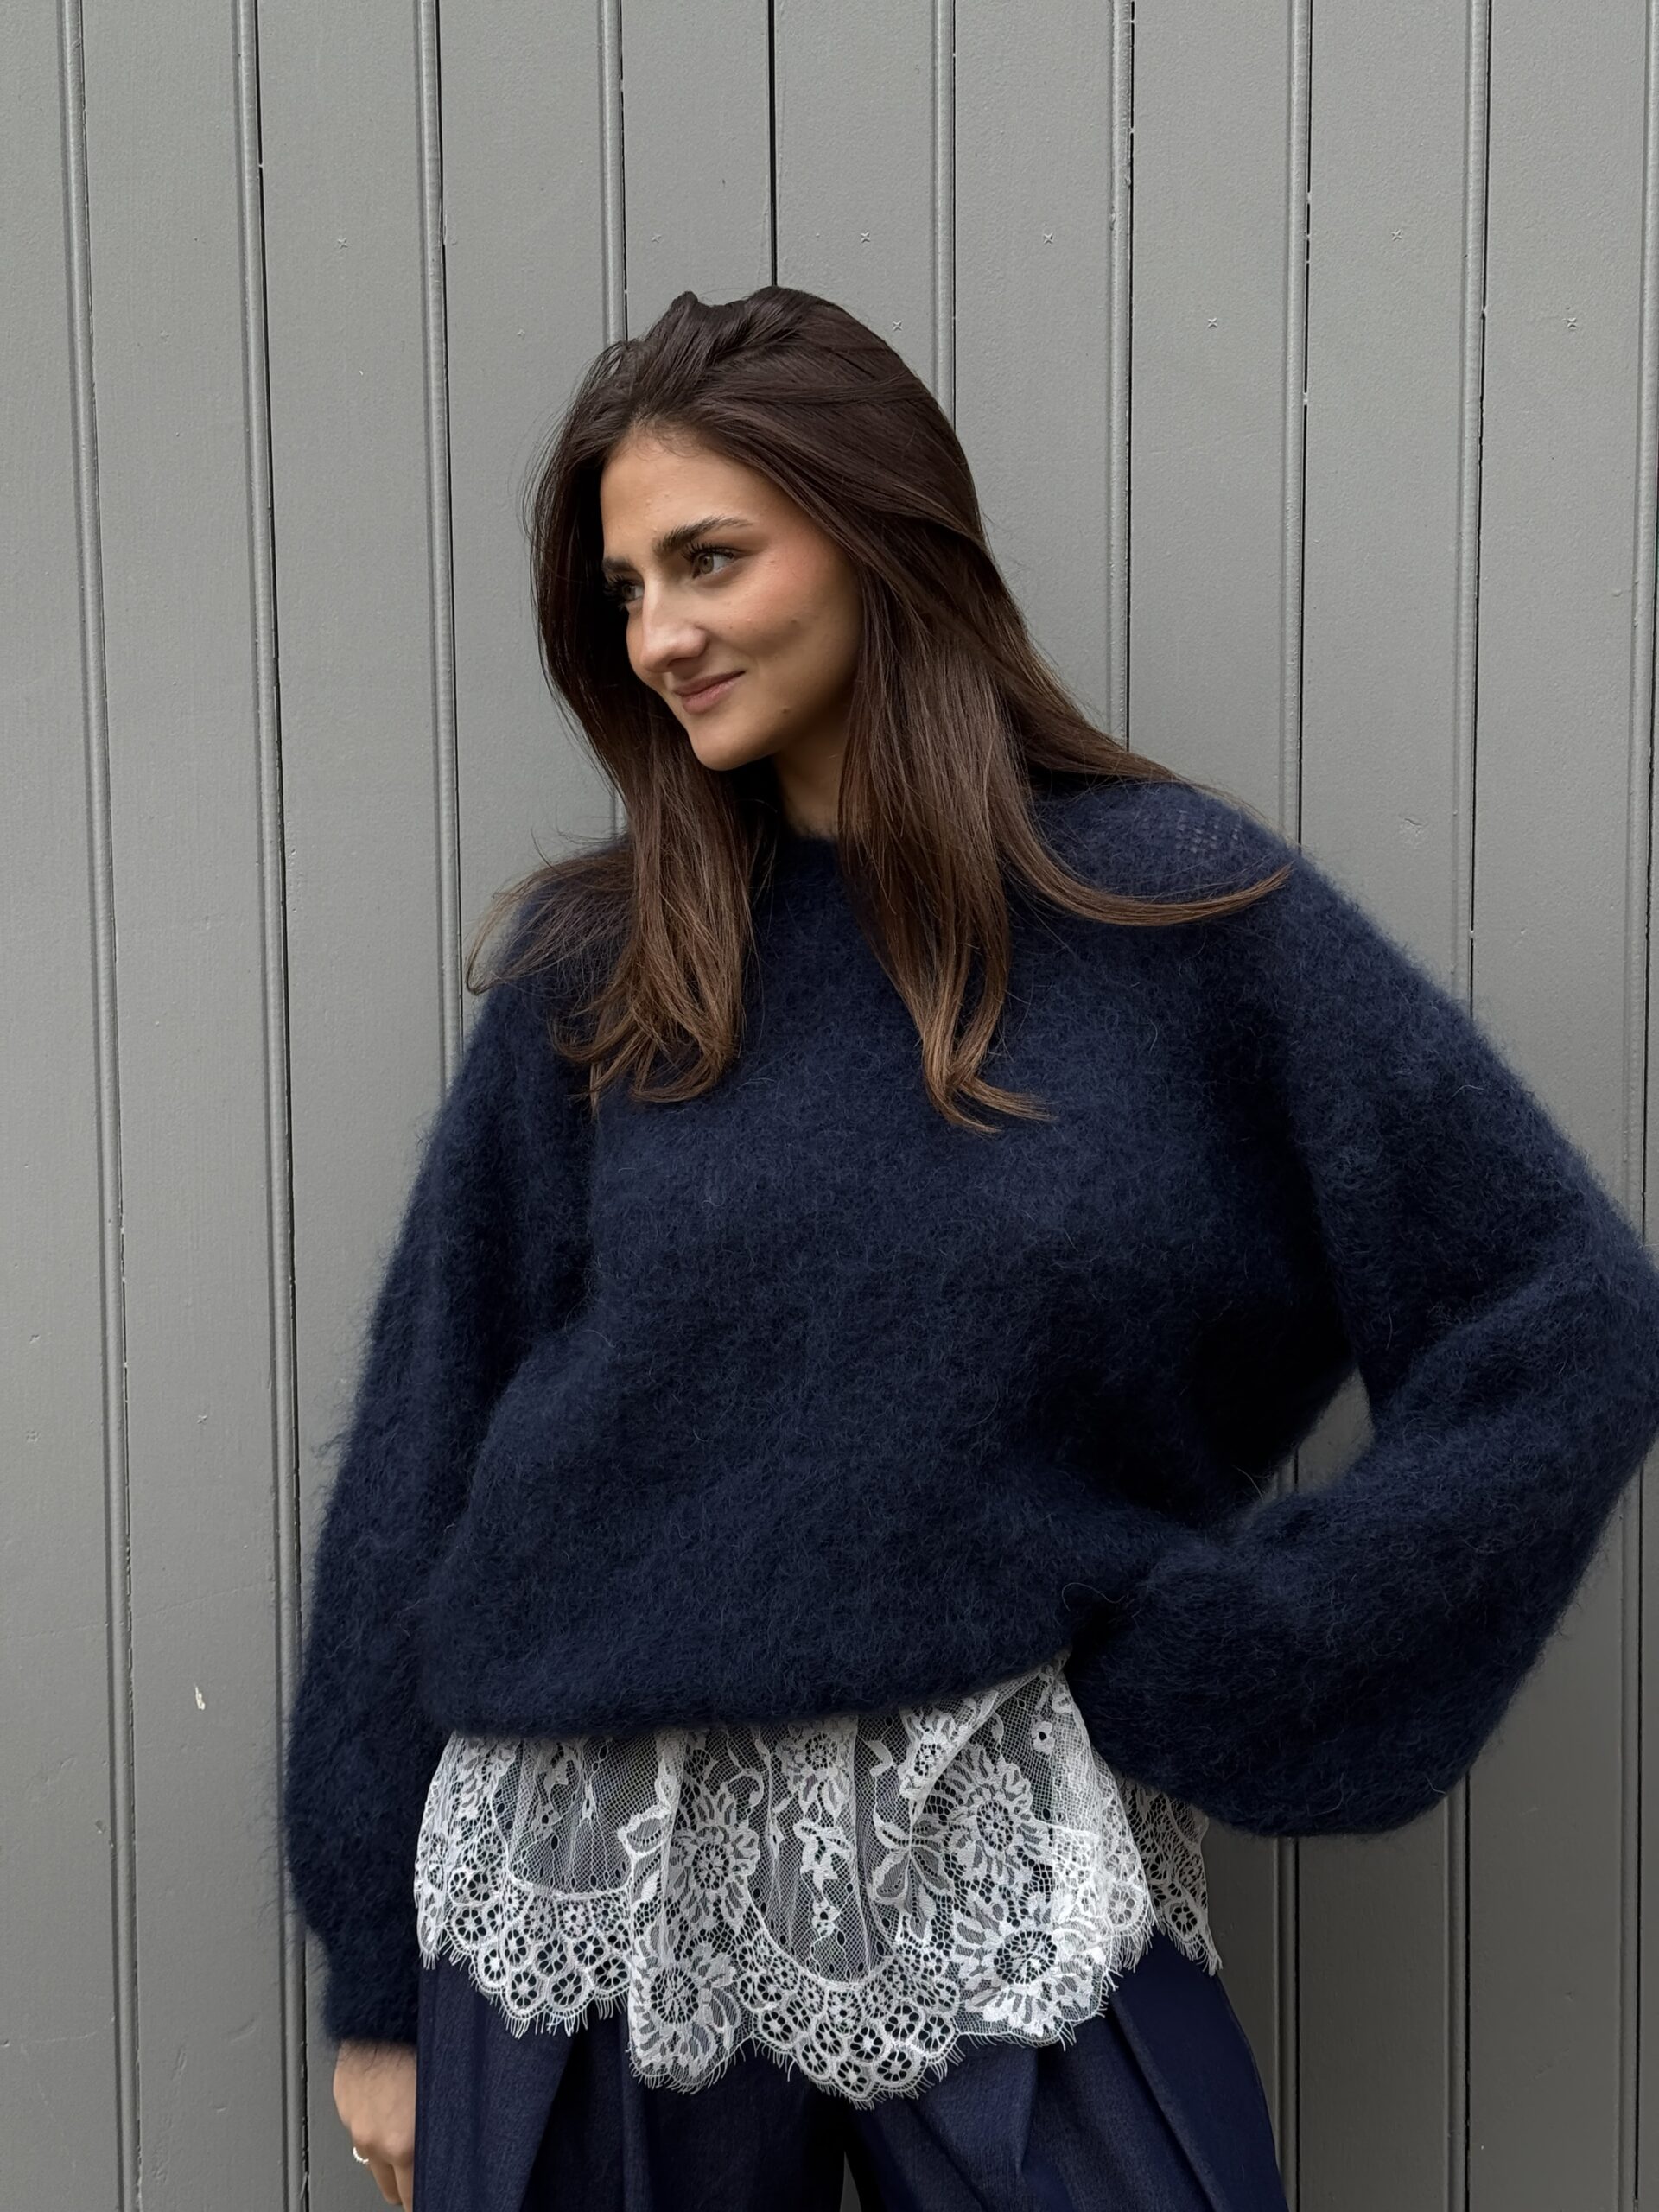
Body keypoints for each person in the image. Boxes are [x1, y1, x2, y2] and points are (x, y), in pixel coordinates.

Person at [280, 286, 1659, 2212]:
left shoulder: (1174, 914)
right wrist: (374, 1966)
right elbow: (431, 1441)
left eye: (709, 558)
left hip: (984, 1836)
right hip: (589, 1878)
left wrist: (1260, 1653)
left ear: (879, 534)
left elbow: (1565, 1312)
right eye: (625, 588)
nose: (658, 632)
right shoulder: (603, 969)